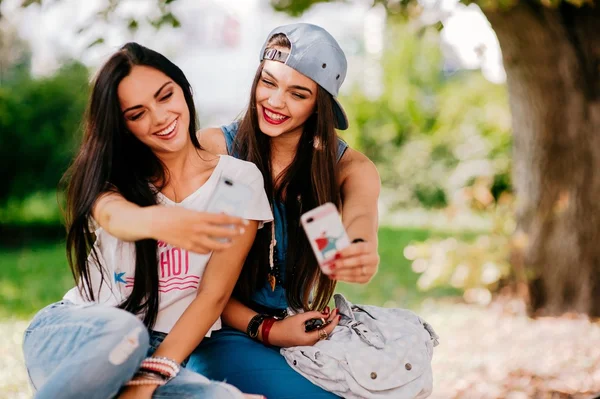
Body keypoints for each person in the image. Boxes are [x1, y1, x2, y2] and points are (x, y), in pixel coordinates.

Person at [21, 42, 272, 399]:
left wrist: (152, 375)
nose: (159, 117)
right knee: (125, 331)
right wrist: (160, 222)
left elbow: (212, 296)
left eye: (165, 96)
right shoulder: (113, 180)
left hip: (154, 351)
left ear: (182, 89)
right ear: (123, 128)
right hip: (78, 333)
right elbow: (114, 215)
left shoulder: (238, 180)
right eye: (137, 114)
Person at [187, 23, 381, 398]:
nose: (275, 101)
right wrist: (266, 329)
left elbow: (360, 221)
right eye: (268, 82)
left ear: (319, 104)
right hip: (215, 329)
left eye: (298, 93)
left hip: (302, 334)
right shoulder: (214, 150)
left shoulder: (348, 169)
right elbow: (187, 279)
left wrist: (359, 250)